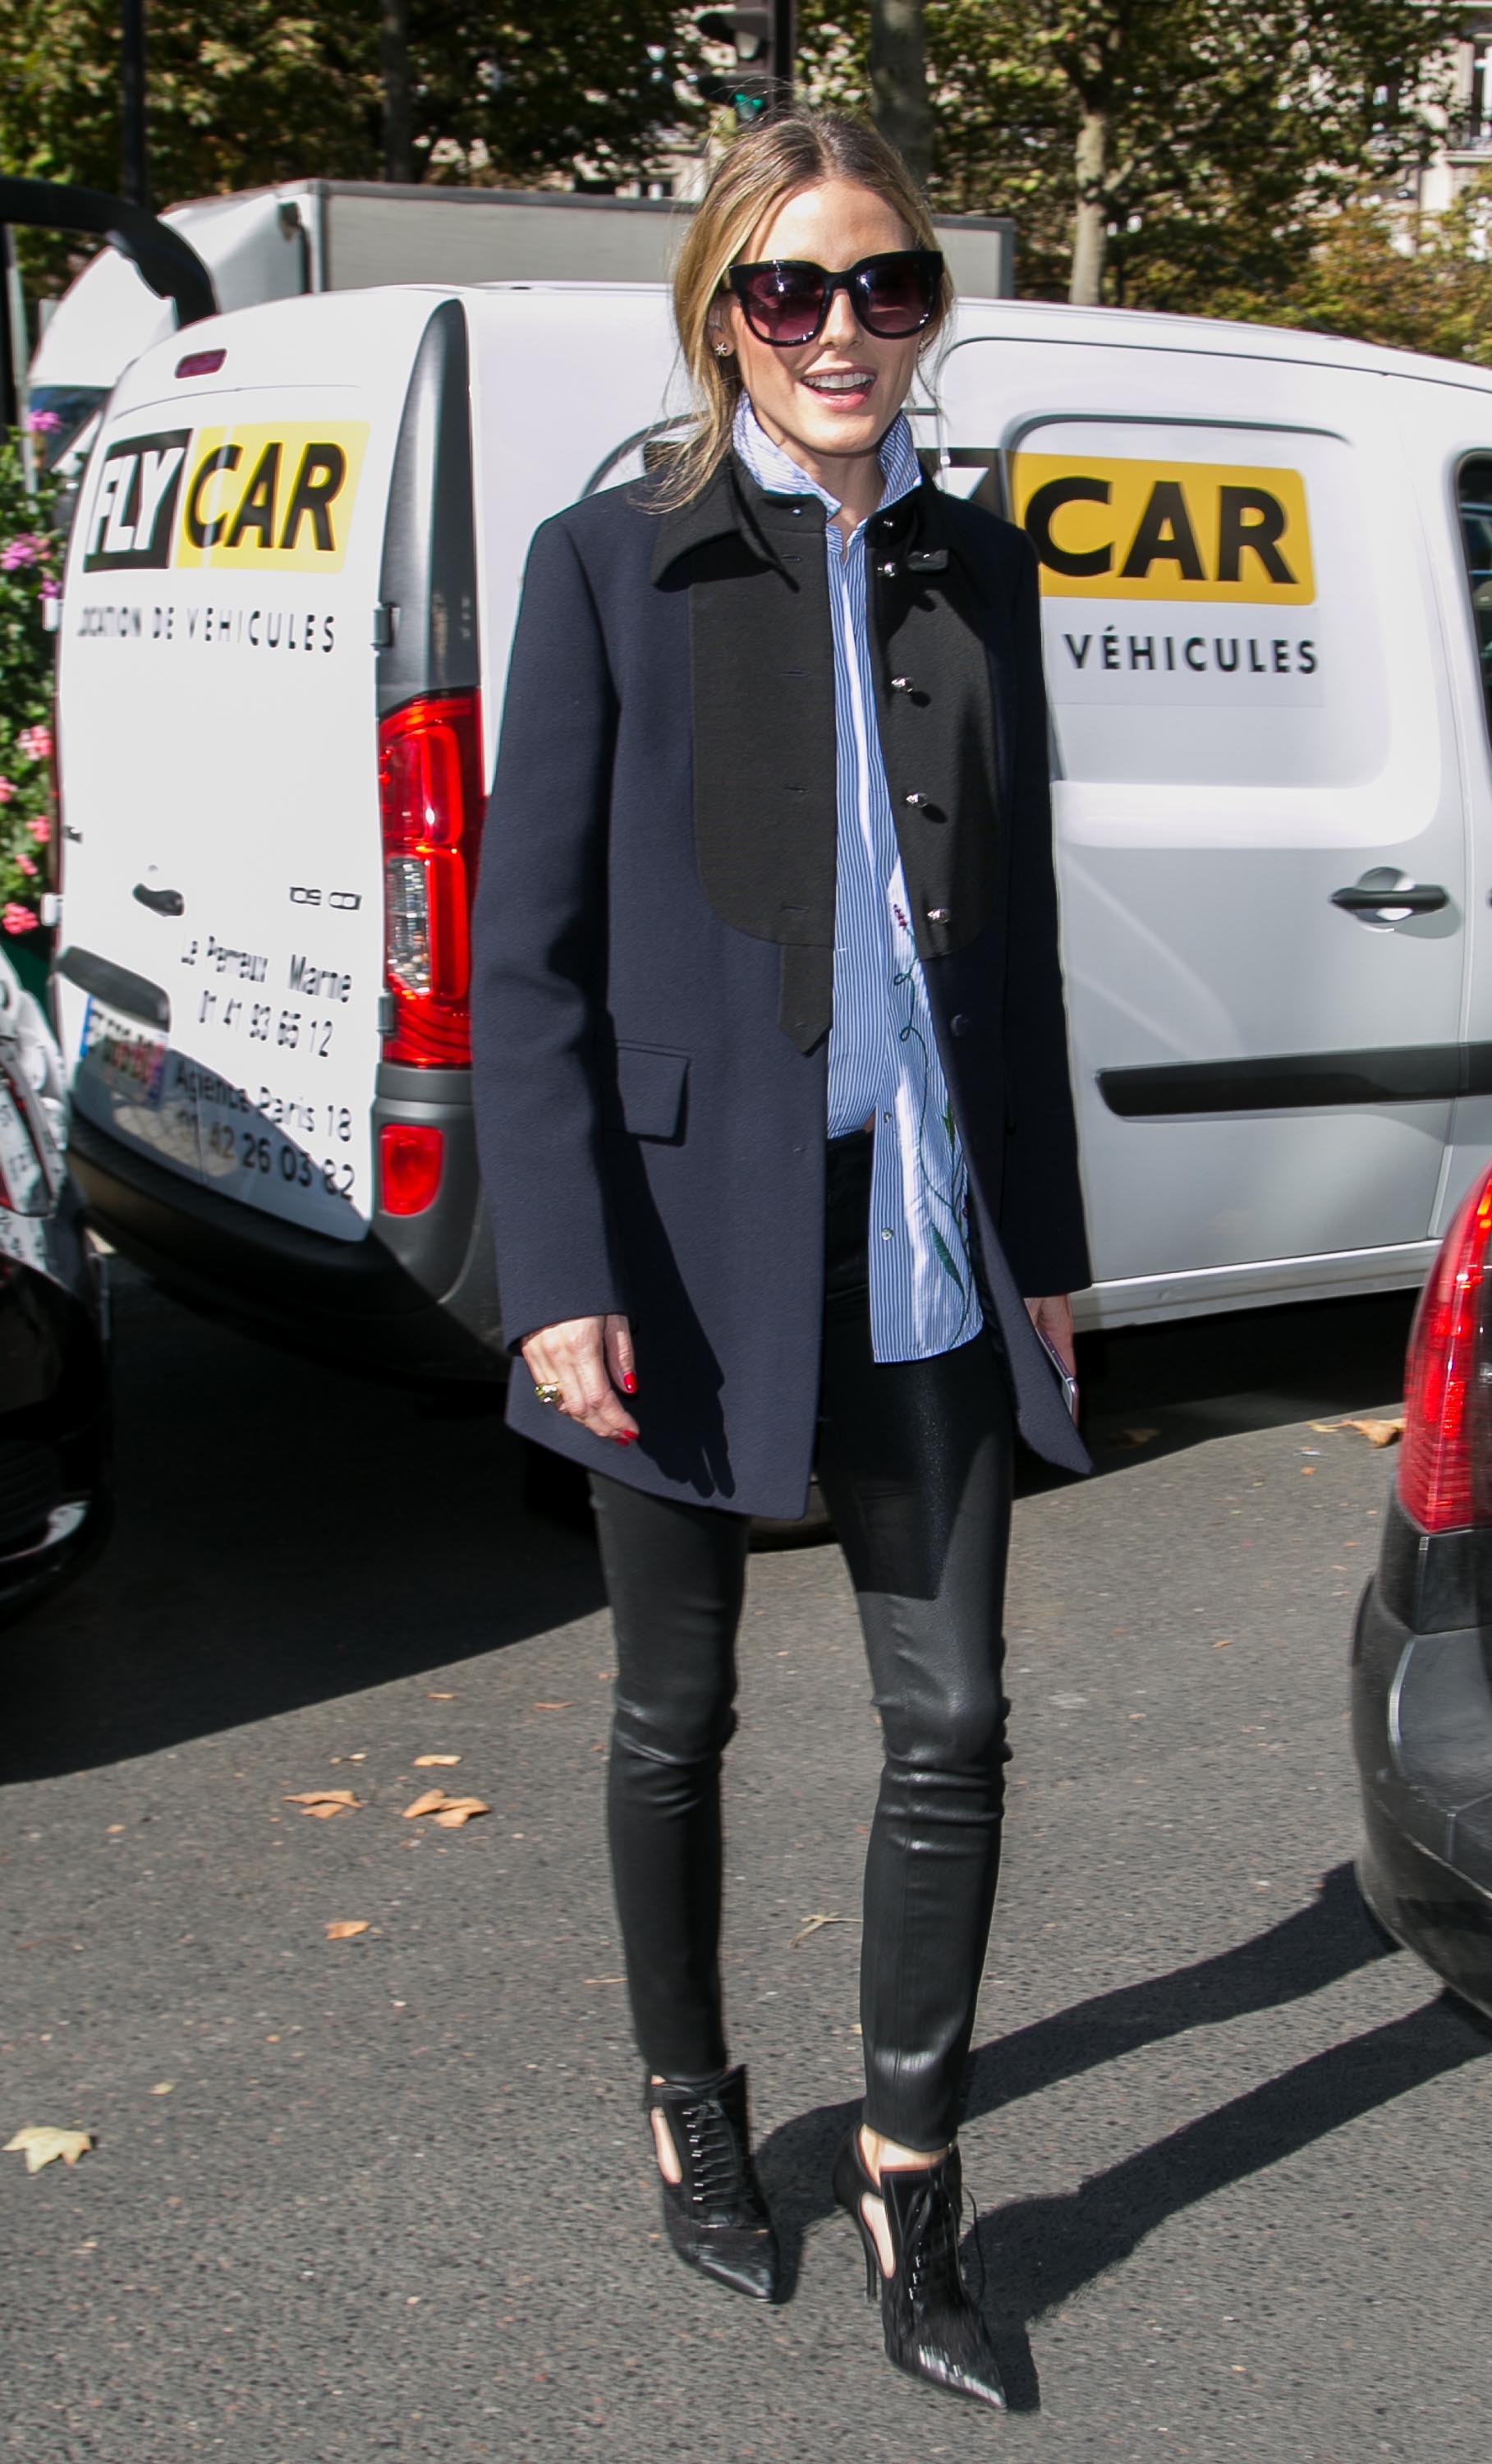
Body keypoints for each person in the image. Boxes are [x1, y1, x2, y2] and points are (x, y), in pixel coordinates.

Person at [471, 108, 1090, 2410]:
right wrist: (557, 1266)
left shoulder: (976, 565)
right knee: (679, 1711)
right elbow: (525, 961)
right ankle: (692, 2108)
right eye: (794, 291)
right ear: (721, 305)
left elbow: (1008, 953)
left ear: (931, 305)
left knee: (955, 1716)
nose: (846, 332)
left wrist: (1045, 1243)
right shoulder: (611, 561)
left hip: (923, 1223)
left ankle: (912, 2180)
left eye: (890, 284)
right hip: (675, 1237)